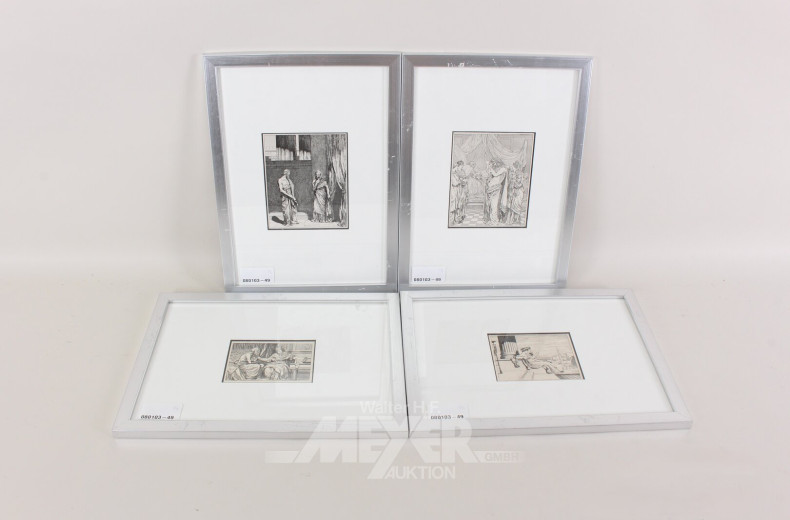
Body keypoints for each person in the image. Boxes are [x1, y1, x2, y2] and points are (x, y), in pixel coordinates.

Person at [483, 159, 507, 224]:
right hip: (491, 189)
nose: (494, 165)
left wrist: (490, 168)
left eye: (495, 163)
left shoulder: (503, 169)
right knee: (491, 205)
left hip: (496, 189)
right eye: (493, 164)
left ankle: (494, 220)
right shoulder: (496, 170)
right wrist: (488, 168)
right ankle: (491, 219)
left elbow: (495, 174)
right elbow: (488, 176)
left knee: (494, 205)